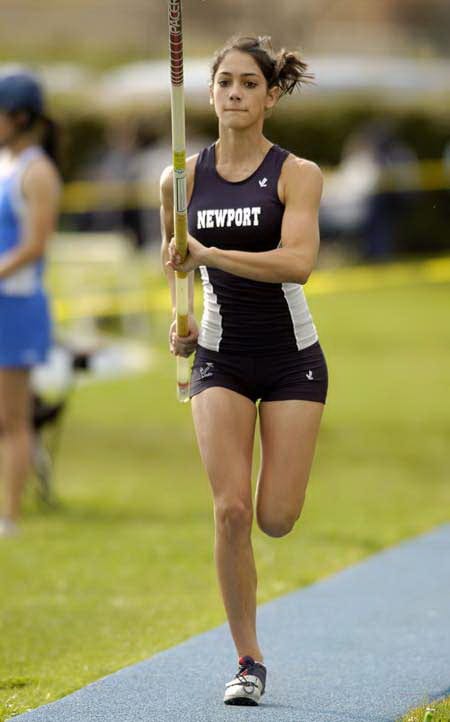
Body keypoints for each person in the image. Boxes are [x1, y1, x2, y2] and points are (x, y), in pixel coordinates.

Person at [160, 35, 328, 706]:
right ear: (208, 93)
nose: (234, 92)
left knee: (275, 517)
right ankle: (248, 659)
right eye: (224, 81)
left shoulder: (297, 174)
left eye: (248, 83)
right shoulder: (180, 180)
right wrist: (181, 321)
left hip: (292, 360)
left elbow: (297, 263)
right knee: (229, 509)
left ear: (270, 95)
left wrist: (209, 252)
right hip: (221, 358)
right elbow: (175, 270)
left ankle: (254, 633)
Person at [0, 72, 61, 537]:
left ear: (18, 118)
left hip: (16, 306)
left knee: (12, 417)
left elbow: (34, 245)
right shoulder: (7, 163)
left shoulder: (38, 172)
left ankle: (10, 516)